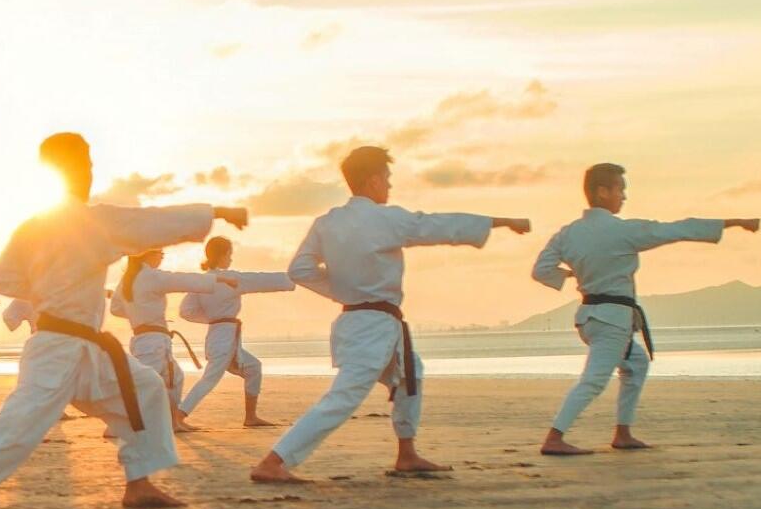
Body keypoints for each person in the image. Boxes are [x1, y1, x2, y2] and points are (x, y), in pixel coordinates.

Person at [0, 132, 246, 509]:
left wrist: (47, 289)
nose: (91, 170)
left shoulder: (33, 225)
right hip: (58, 347)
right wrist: (220, 213)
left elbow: (3, 280)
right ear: (69, 168)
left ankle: (139, 483)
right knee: (15, 430)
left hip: (85, 346)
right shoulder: (94, 219)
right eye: (86, 162)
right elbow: (153, 222)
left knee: (145, 389)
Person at [250, 146, 530, 484]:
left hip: (360, 321)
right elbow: (439, 226)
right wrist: (502, 222)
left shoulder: (326, 223)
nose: (389, 186)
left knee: (412, 373)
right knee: (346, 394)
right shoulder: (386, 219)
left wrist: (342, 289)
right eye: (387, 178)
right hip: (372, 325)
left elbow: (300, 270)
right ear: (372, 180)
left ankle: (406, 453)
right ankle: (274, 460)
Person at [533, 163, 759, 455]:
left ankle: (623, 433)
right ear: (602, 192)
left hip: (590, 318)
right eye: (620, 189)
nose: (624, 196)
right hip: (612, 319)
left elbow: (540, 270)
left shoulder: (567, 234)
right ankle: (554, 437)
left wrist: (570, 275)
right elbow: (677, 229)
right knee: (593, 381)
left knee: (636, 364)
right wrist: (735, 221)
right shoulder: (623, 231)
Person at [108, 246, 242, 432]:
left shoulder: (127, 280)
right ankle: (118, 423)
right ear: (148, 254)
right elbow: (183, 280)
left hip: (144, 338)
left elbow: (115, 308)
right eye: (160, 254)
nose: (161, 259)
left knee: (174, 378)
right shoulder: (151, 276)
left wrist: (139, 313)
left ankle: (172, 423)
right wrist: (221, 277)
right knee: (147, 383)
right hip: (154, 341)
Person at [176, 237, 296, 428]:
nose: (230, 259)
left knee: (253, 368)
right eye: (229, 254)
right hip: (224, 338)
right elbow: (262, 280)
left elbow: (186, 312)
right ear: (222, 255)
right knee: (210, 379)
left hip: (218, 336)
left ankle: (251, 417)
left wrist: (213, 318)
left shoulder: (201, 282)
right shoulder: (231, 279)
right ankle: (178, 415)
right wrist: (295, 277)